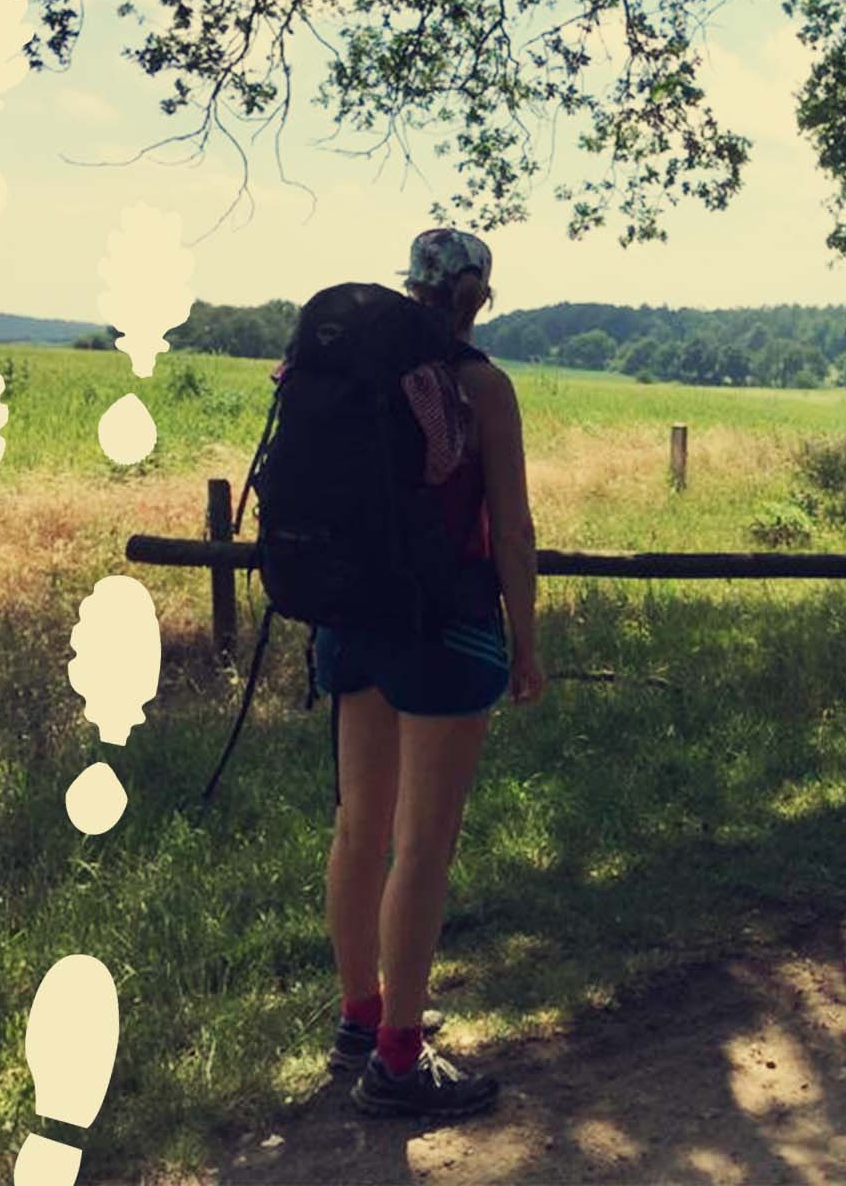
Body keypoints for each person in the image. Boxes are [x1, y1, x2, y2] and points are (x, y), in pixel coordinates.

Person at [314, 228, 547, 1118]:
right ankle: (400, 1062)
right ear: (476, 296)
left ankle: (362, 1018)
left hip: (353, 623)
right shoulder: (480, 387)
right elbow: (511, 529)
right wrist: (526, 642)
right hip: (445, 631)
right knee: (423, 846)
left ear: (409, 285)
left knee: (358, 828)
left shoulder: (357, 368)